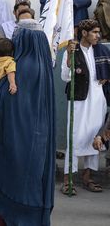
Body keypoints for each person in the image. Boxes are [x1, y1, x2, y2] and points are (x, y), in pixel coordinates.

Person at [0, 16, 56, 226]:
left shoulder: (18, 67)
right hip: (39, 141)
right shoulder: (45, 66)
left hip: (15, 143)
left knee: (12, 194)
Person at [60, 19, 107, 195]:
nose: (98, 35)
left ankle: (88, 177)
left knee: (95, 137)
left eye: (98, 32)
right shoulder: (71, 50)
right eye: (94, 32)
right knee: (75, 136)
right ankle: (67, 179)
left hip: (98, 99)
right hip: (79, 99)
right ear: (84, 33)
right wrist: (69, 61)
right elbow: (65, 77)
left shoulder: (101, 50)